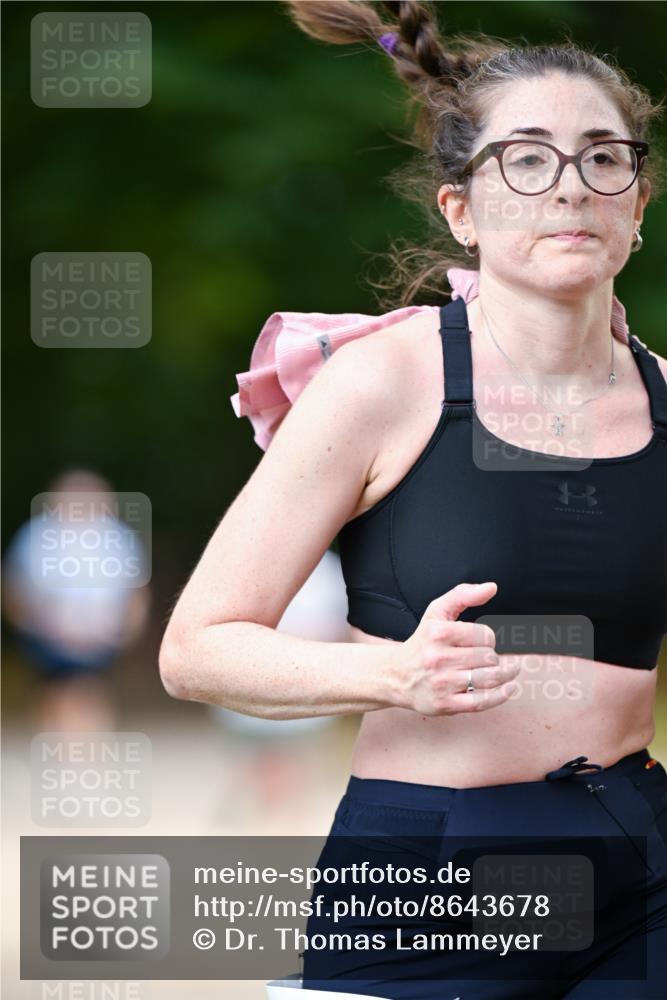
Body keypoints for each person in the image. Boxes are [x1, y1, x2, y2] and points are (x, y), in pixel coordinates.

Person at [158, 2, 667, 996]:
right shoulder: (384, 383)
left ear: (636, 205)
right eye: (527, 159)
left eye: (603, 157)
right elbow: (197, 648)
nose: (571, 186)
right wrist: (396, 678)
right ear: (461, 212)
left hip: (638, 870)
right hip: (430, 882)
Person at [3, 468, 150, 732]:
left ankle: (83, 747)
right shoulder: (37, 536)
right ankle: (62, 744)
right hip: (49, 637)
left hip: (100, 636)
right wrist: (36, 627)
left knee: (87, 689)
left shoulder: (116, 538)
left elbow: (135, 591)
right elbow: (16, 588)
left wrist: (126, 631)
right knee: (60, 690)